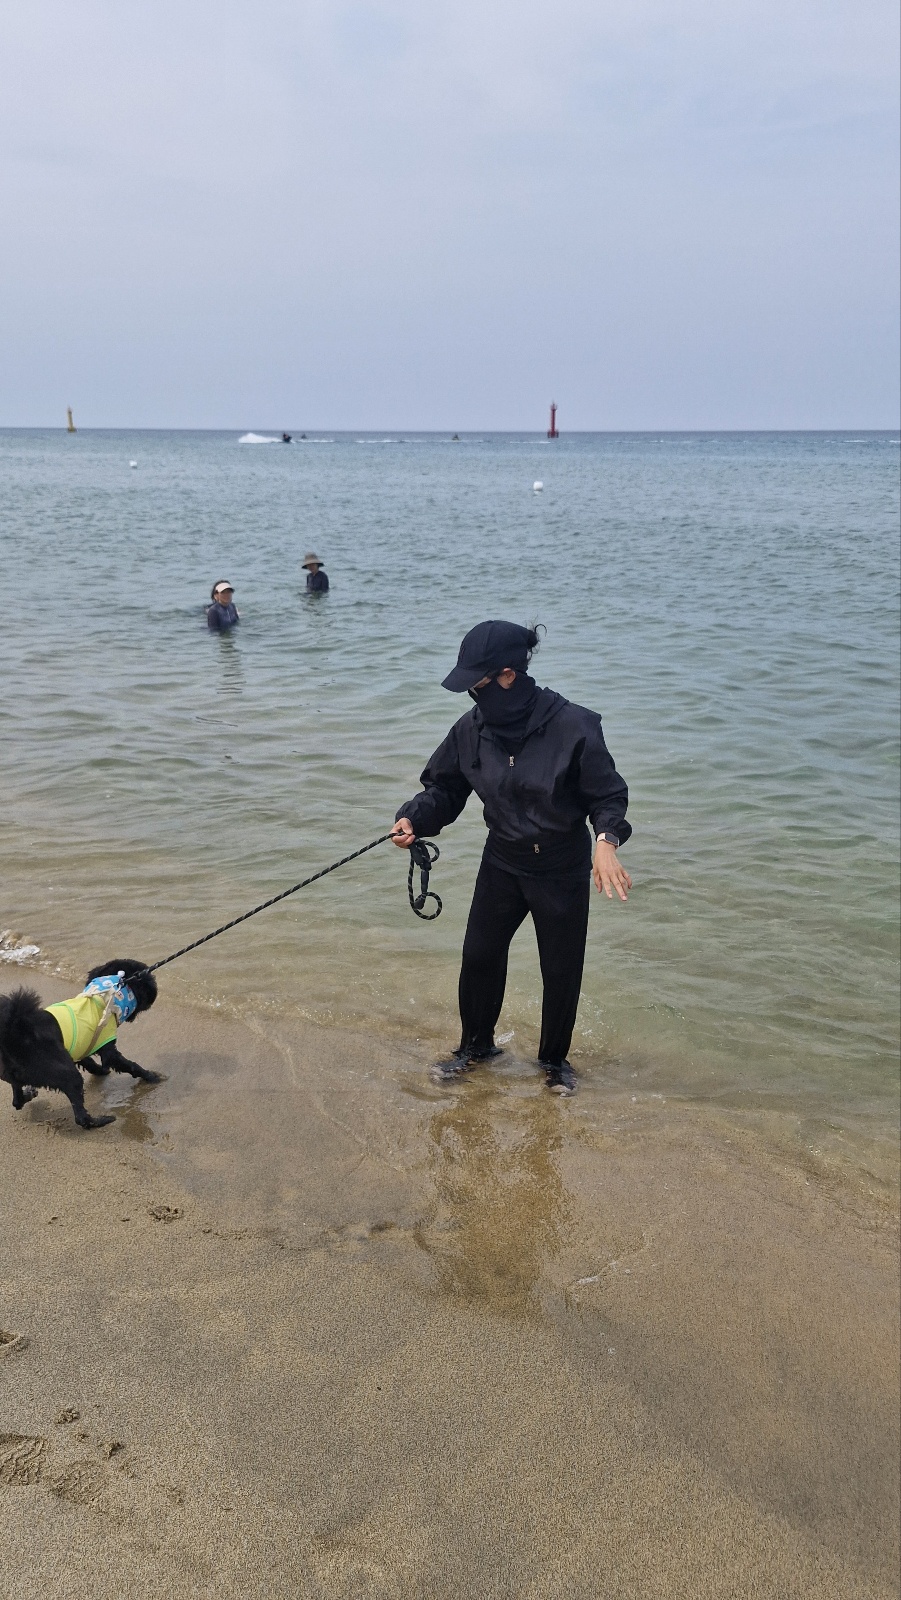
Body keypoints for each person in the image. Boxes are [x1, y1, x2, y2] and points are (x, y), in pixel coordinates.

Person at [391, 620, 632, 1095]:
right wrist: (414, 819)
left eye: (476, 687)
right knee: (479, 956)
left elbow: (608, 795)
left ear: (507, 676)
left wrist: (606, 841)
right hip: (502, 860)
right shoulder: (472, 729)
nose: (472, 699)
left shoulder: (573, 726)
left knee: (560, 970)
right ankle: (475, 1049)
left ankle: (554, 1064)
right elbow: (446, 787)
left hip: (561, 867)